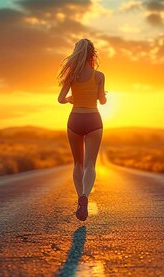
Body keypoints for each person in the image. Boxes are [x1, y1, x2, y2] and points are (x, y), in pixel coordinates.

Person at [57, 38, 107, 221]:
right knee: (90, 165)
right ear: (92, 54)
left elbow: (60, 99)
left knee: (77, 164)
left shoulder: (71, 76)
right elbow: (102, 100)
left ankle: (80, 198)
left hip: (75, 119)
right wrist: (103, 96)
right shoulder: (99, 76)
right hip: (94, 119)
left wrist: (71, 98)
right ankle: (86, 194)